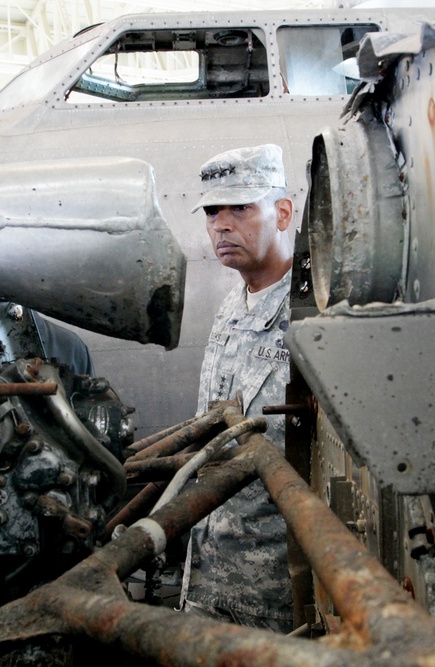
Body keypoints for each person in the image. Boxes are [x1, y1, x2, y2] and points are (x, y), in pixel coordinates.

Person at [179, 144, 295, 633]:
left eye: (242, 207)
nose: (222, 225)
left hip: (272, 591)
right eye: (212, 211)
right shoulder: (234, 305)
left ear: (283, 213)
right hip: (208, 573)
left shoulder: (313, 317)